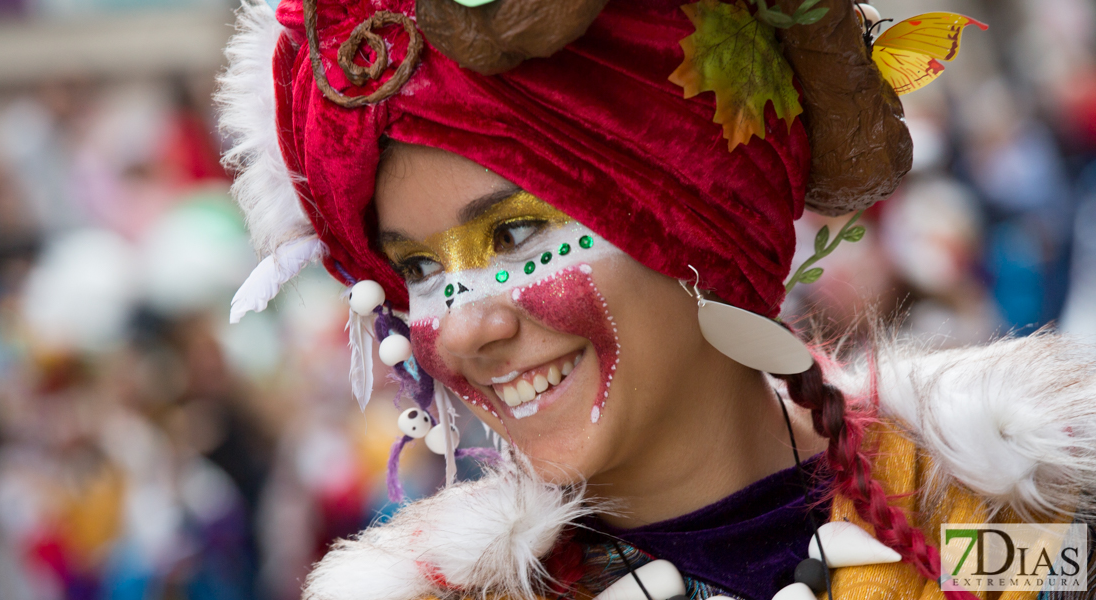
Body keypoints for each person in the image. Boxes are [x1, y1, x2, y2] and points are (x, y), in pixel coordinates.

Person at [216, 0, 1096, 598]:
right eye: (417, 271)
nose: (466, 325)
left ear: (696, 219)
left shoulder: (1009, 513)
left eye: (515, 236)